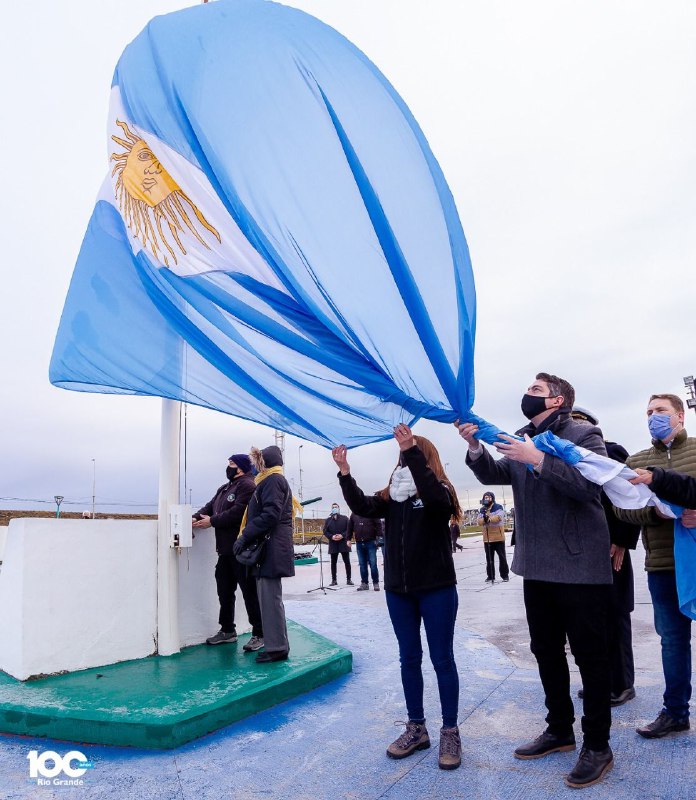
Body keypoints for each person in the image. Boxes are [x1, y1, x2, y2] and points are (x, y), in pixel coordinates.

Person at [457, 372, 614, 789]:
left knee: (591, 658)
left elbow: (587, 487)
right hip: (536, 565)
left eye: (536, 391)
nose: (527, 395)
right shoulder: (524, 436)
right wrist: (475, 446)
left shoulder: (584, 434)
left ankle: (597, 745)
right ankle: (559, 729)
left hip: (579, 567)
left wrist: (539, 459)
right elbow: (495, 474)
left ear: (558, 400)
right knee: (545, 651)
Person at [332, 424, 463, 770]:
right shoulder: (392, 497)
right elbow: (361, 504)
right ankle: (416, 727)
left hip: (437, 589)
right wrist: (345, 473)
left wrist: (412, 450)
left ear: (423, 457)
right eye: (402, 453)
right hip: (399, 593)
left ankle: (450, 730)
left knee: (442, 659)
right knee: (409, 658)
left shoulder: (440, 493)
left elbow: (435, 499)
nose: (403, 458)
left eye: (410, 452)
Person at [613, 394, 696, 739]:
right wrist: (655, 512)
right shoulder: (637, 461)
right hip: (663, 564)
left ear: (679, 415)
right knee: (672, 641)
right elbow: (620, 507)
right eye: (648, 412)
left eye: (660, 411)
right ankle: (675, 712)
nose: (653, 417)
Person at [571, 408, 640, 707]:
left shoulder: (610, 452)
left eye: (577, 422)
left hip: (611, 549)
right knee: (589, 620)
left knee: (614, 615)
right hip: (580, 552)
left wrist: (622, 541)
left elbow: (628, 497)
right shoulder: (566, 458)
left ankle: (622, 683)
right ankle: (600, 680)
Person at [193, 454, 264, 652]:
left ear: (241, 467)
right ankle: (227, 631)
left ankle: (259, 633)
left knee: (250, 593)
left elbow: (240, 512)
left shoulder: (248, 486)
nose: (228, 467)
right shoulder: (224, 488)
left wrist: (212, 521)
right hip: (225, 552)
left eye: (232, 464)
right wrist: (192, 518)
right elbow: (209, 507)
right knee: (224, 592)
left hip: (242, 550)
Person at [233, 445, 295, 663]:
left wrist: (244, 536)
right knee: (269, 600)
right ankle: (277, 644)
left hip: (270, 551)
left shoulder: (272, 481)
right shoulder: (272, 480)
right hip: (271, 550)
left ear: (264, 462)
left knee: (270, 601)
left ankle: (277, 648)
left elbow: (270, 514)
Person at [477, 492, 509, 582]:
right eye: (485, 497)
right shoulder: (482, 509)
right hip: (487, 538)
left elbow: (498, 517)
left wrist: (489, 518)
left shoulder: (498, 507)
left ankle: (505, 575)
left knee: (502, 557)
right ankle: (490, 576)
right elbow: (479, 521)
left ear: (492, 498)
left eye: (488, 497)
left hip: (498, 537)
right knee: (489, 559)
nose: (486, 499)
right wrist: (484, 518)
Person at [348, 512, 380, 590]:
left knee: (373, 564)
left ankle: (376, 583)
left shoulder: (371, 511)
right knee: (362, 564)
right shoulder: (353, 514)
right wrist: (348, 539)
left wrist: (378, 538)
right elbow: (350, 527)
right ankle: (364, 583)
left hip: (371, 542)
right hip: (359, 543)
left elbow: (378, 524)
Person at [323, 503, 353, 586]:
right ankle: (334, 580)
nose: (334, 508)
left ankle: (349, 579)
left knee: (347, 561)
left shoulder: (345, 518)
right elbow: (325, 531)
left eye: (336, 507)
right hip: (333, 543)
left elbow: (349, 529)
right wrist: (331, 536)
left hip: (343, 543)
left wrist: (342, 535)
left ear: (339, 508)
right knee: (333, 563)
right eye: (333, 507)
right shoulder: (328, 520)